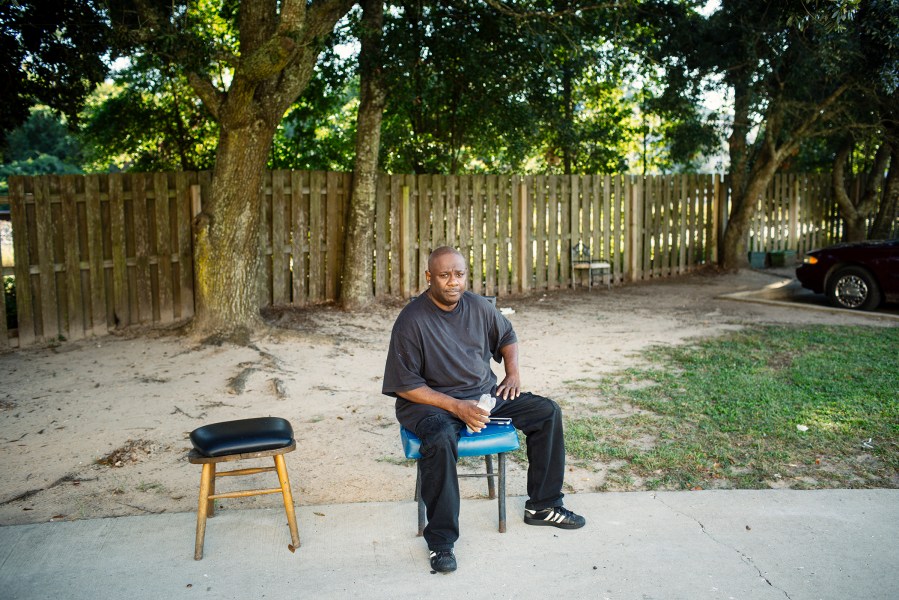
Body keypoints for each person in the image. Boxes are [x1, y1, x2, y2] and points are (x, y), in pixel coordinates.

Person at [382, 246, 585, 574]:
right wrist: (455, 406)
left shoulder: (478, 306)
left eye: (459, 274)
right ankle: (441, 541)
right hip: (429, 403)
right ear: (429, 277)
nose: (453, 282)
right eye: (445, 275)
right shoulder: (411, 320)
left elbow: (507, 335)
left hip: (482, 396)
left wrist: (513, 373)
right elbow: (405, 386)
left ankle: (544, 506)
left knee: (546, 412)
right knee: (440, 438)